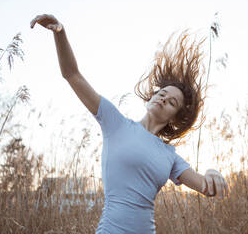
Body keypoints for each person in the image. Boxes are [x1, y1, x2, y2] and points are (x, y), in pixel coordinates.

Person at [30, 14, 229, 234]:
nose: (163, 98)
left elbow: (206, 187)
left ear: (174, 117)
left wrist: (212, 172)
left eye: (172, 101)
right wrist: (60, 34)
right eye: (162, 93)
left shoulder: (170, 155)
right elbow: (72, 74)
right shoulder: (116, 123)